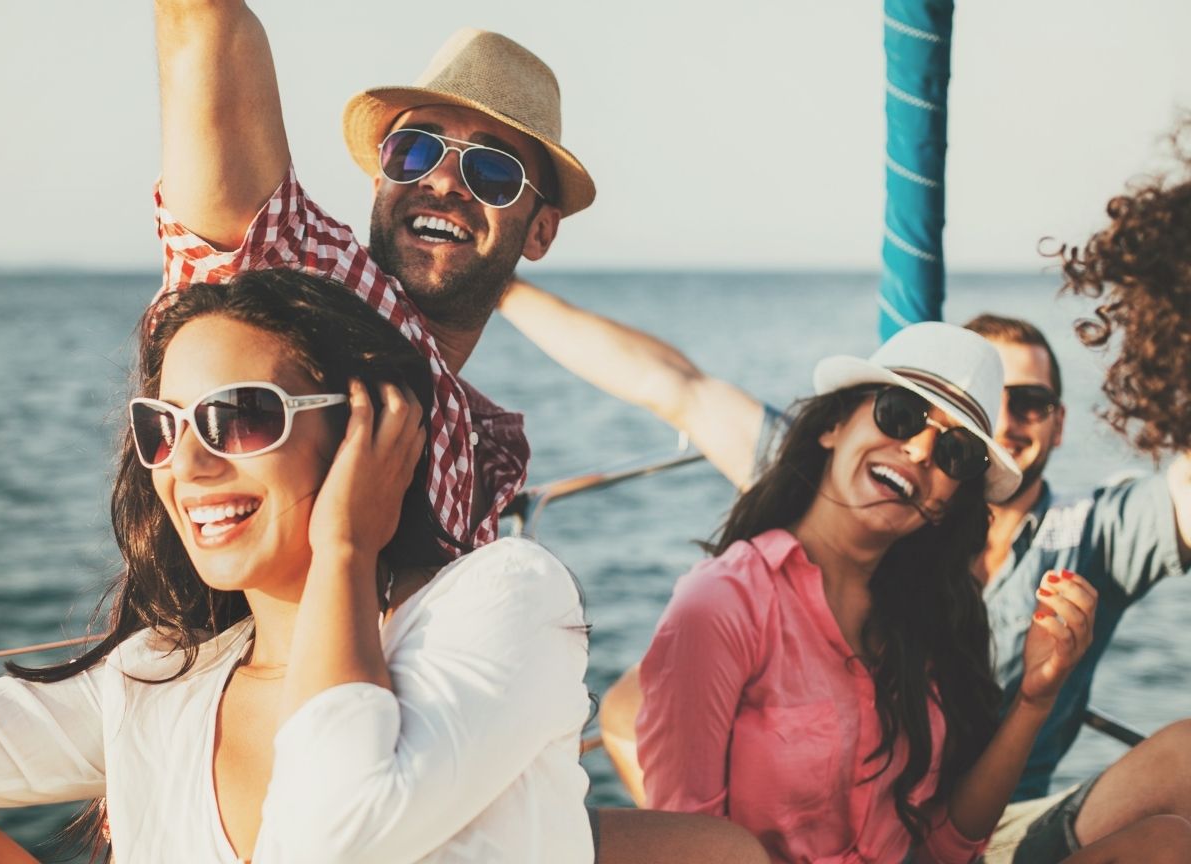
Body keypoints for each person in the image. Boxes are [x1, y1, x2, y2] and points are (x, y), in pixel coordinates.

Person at [0, 270, 597, 863]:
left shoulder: (502, 597)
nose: (188, 466)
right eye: (164, 428)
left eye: (240, 417)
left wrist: (346, 549)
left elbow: (331, 835)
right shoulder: (162, 680)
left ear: (365, 431)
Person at [499, 265, 1191, 858]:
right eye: (899, 411)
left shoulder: (934, 611)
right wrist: (496, 285)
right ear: (832, 424)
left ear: (954, 498)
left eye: (958, 453)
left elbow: (947, 848)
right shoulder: (728, 601)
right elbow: (675, 383)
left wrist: (1037, 697)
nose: (920, 449)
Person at [152, 1, 595, 549]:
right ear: (377, 183)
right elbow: (200, 21)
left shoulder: (482, 444)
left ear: (540, 233)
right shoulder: (302, 270)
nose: (444, 182)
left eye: (492, 172)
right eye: (415, 153)